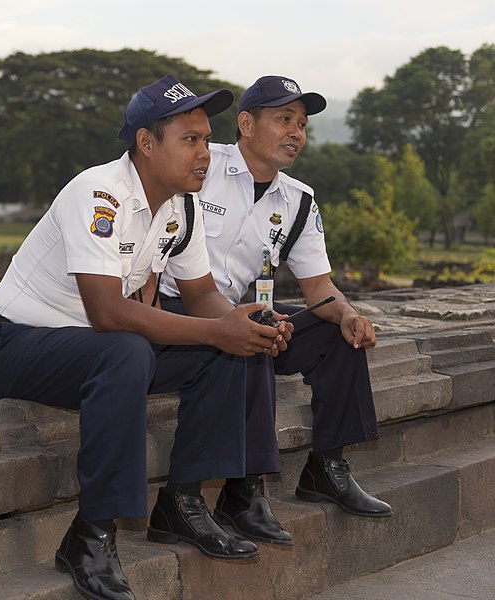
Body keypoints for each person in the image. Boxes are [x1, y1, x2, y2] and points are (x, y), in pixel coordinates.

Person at [0, 75, 293, 600]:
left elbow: (204, 293)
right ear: (146, 143)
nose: (205, 153)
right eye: (190, 140)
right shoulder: (100, 193)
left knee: (225, 352)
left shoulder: (180, 206)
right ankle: (91, 535)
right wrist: (216, 329)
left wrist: (242, 322)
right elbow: (108, 312)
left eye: (208, 139)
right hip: (16, 344)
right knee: (128, 349)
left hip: (89, 350)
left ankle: (182, 504)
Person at [158, 75, 393, 548]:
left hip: (236, 304)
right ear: (245, 124)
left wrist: (347, 314)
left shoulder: (298, 199)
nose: (296, 133)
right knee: (258, 331)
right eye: (283, 119)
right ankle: (245, 491)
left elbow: (318, 287)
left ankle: (327, 467)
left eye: (302, 124)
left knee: (336, 333)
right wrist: (244, 318)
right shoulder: (203, 168)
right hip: (175, 306)